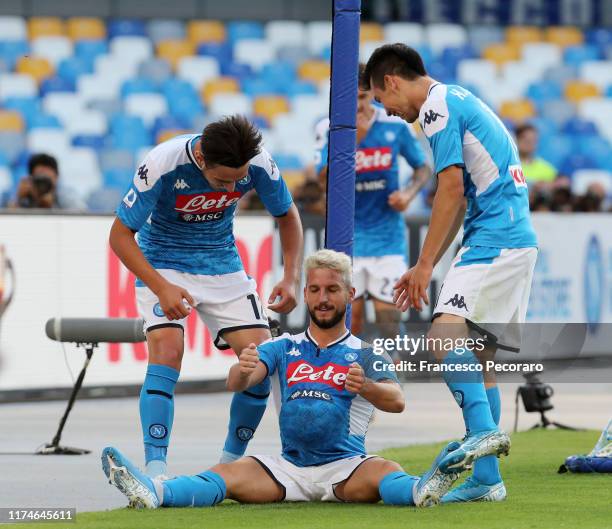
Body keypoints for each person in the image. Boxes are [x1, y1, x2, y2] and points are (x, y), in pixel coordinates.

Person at [102, 249, 466, 509]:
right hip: (286, 467)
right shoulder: (281, 347)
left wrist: (367, 387)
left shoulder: (366, 352)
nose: (322, 299)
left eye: (332, 290)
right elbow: (238, 382)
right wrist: (243, 370)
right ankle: (153, 492)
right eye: (314, 290)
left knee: (388, 470)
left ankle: (423, 489)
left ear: (350, 294)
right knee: (225, 475)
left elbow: (397, 400)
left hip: (347, 467)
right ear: (306, 293)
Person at [364, 44, 538, 502]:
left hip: (495, 238)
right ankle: (487, 480)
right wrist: (431, 261)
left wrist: (424, 265)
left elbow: (450, 187)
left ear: (392, 81)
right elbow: (460, 196)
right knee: (480, 359)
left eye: (383, 101)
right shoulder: (458, 98)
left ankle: (481, 435)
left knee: (443, 340)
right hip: (513, 236)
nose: (390, 111)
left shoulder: (437, 108)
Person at [110, 115, 303, 478]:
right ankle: (155, 473)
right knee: (167, 351)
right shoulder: (162, 163)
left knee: (261, 366)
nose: (231, 189)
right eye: (222, 180)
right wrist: (160, 286)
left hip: (223, 267)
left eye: (237, 181)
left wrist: (291, 278)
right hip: (163, 263)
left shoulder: (258, 162)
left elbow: (288, 216)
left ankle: (227, 468)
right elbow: (119, 236)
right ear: (201, 159)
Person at [315, 64, 431, 340]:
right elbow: (322, 179)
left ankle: (394, 371)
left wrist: (408, 194)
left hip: (386, 236)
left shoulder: (394, 124)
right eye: (347, 99)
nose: (355, 105)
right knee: (348, 318)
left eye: (361, 98)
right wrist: (347, 137)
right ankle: (347, 375)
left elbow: (422, 169)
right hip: (346, 238)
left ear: (372, 94)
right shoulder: (329, 128)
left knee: (387, 317)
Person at [10, 153, 85, 209]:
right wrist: (19, 199)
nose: (43, 185)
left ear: (56, 177)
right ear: (31, 179)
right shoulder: (23, 196)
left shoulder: (67, 196)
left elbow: (80, 219)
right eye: (39, 178)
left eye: (47, 179)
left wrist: (51, 206)